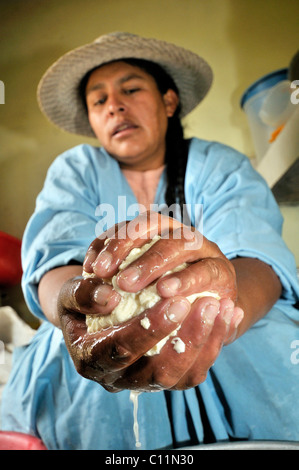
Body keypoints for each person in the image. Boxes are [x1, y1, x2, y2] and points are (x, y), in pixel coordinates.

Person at [1, 32, 299, 450]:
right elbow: (54, 266)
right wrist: (79, 308)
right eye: (98, 100)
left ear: (169, 102)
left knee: (266, 338)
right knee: (60, 352)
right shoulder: (75, 170)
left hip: (234, 326)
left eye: (131, 88)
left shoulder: (219, 165)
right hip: (86, 349)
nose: (115, 106)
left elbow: (259, 262)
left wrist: (225, 314)